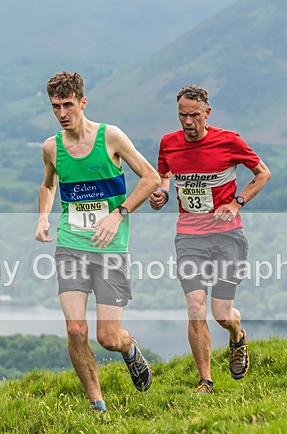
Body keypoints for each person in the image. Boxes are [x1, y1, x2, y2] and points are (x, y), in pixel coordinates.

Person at [35, 71, 160, 412]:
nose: (62, 113)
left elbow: (151, 178)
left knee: (107, 337)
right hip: (71, 244)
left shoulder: (111, 137)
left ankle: (129, 348)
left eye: (68, 105)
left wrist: (119, 214)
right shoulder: (52, 147)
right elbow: (48, 185)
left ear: (83, 102)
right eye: (55, 106)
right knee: (76, 330)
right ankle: (97, 405)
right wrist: (43, 217)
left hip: (110, 248)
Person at [149, 85, 271, 394]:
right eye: (182, 115)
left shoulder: (229, 141)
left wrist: (236, 203)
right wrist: (162, 193)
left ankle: (237, 336)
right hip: (189, 236)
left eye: (194, 115)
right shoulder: (168, 143)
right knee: (195, 308)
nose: (188, 122)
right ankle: (205, 381)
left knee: (222, 314)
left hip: (227, 236)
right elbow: (164, 175)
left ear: (207, 113)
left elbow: (262, 174)